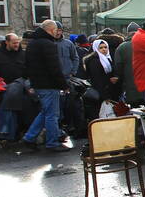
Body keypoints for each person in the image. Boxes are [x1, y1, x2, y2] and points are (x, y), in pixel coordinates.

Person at [20, 20, 70, 152]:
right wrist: (63, 85)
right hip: (49, 84)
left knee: (45, 112)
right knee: (52, 114)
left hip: (38, 83)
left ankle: (29, 137)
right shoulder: (48, 44)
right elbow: (54, 67)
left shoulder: (33, 44)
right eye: (55, 30)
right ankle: (52, 142)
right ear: (51, 30)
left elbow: (27, 66)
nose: (57, 32)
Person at [81, 38, 119, 122]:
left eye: (105, 47)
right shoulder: (94, 61)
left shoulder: (107, 58)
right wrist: (105, 96)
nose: (104, 49)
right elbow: (97, 79)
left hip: (106, 91)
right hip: (100, 93)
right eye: (101, 48)